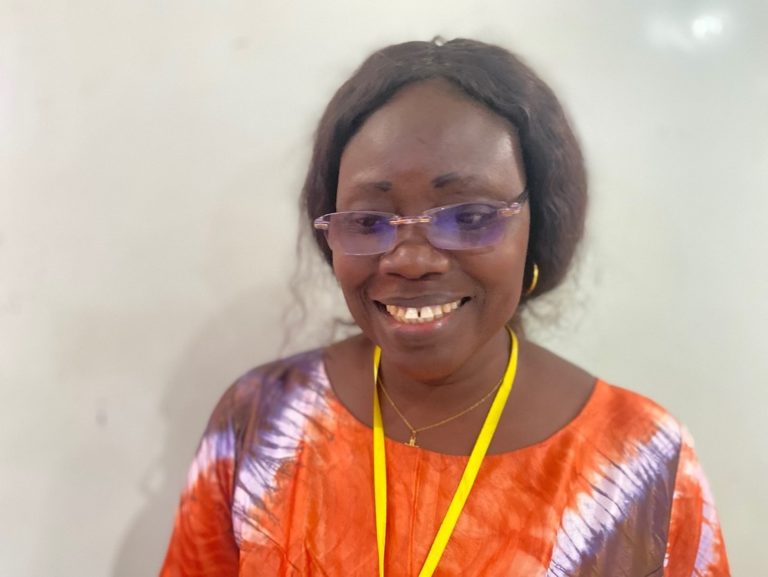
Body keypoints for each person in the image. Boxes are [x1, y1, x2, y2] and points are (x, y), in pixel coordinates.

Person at [159, 38, 730, 576]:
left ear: (539, 228)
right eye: (369, 221)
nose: (411, 260)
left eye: (470, 217)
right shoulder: (259, 418)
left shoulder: (642, 461)